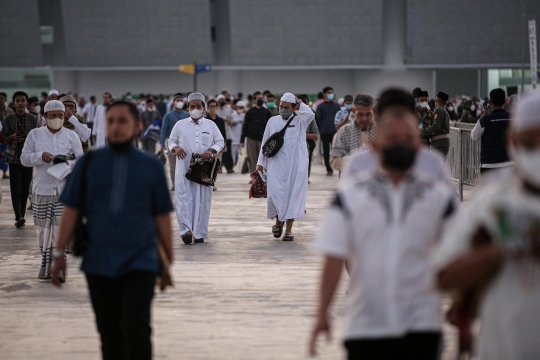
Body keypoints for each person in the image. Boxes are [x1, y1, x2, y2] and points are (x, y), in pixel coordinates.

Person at [309, 88, 457, 360]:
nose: (400, 144)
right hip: (366, 321)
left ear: (418, 140)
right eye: (392, 138)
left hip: (422, 319)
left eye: (407, 138)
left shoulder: (436, 188)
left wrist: (464, 307)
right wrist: (322, 313)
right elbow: (334, 253)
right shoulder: (353, 191)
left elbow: (456, 245)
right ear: (377, 143)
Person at [50, 99, 173, 360]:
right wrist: (59, 254)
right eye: (110, 121)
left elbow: (162, 214)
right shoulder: (88, 163)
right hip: (98, 261)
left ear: (137, 126)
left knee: (137, 328)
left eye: (122, 121)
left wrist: (168, 258)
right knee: (109, 332)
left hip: (140, 259)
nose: (115, 127)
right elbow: (71, 210)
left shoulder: (151, 166)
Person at [433, 93, 540, 360]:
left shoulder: (484, 119)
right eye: (529, 143)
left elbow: (474, 137)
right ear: (512, 142)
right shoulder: (491, 202)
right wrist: (496, 251)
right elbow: (443, 276)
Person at [20, 100, 83, 280]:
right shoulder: (35, 135)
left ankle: (59, 267)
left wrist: (67, 162)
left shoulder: (72, 136)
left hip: (64, 191)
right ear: (45, 116)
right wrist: (41, 156)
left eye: (60, 116)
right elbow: (24, 159)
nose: (57, 119)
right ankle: (47, 266)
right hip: (41, 189)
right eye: (53, 115)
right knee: (42, 232)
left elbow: (82, 161)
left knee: (60, 231)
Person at [256, 93, 315, 241]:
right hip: (275, 166)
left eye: (286, 107)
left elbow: (310, 113)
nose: (283, 109)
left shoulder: (301, 120)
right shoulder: (272, 121)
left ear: (294, 107)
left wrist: (298, 101)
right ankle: (278, 221)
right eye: (281, 106)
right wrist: (260, 163)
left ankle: (288, 231)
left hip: (296, 167)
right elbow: (265, 142)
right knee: (275, 195)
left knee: (292, 197)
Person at [168, 92, 224, 244]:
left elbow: (220, 141)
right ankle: (186, 230)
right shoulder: (180, 125)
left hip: (203, 168)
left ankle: (199, 232)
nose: (195, 109)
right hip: (184, 167)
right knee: (184, 198)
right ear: (188, 108)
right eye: (192, 106)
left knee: (202, 200)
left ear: (204, 108)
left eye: (198, 106)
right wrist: (176, 148)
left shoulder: (211, 125)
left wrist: (211, 150)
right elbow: (171, 141)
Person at [2, 91, 38, 227]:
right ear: (14, 103)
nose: (20, 103)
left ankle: (21, 214)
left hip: (28, 157)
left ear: (27, 103)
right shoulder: (8, 119)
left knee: (24, 188)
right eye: (18, 101)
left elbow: (37, 138)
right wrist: (11, 138)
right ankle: (18, 216)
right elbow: (4, 138)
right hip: (14, 157)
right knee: (15, 188)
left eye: (23, 100)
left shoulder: (33, 119)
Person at [330, 94, 376, 176]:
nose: (364, 118)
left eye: (368, 114)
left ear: (373, 112)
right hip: (350, 182)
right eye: (360, 114)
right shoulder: (343, 132)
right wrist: (358, 161)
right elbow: (334, 160)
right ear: (354, 112)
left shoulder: (382, 132)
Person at [470, 88, 512, 175]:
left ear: (490, 102)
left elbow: (474, 136)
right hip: (510, 163)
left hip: (489, 164)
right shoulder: (513, 118)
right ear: (505, 101)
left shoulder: (484, 120)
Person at [160, 93, 189, 191]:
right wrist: (162, 144)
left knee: (185, 165)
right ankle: (174, 184)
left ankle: (185, 184)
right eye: (178, 101)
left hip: (185, 144)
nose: (180, 102)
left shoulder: (187, 114)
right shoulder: (168, 115)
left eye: (181, 100)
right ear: (173, 102)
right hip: (172, 143)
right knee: (173, 165)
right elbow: (164, 130)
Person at [241, 92, 272, 175]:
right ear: (254, 100)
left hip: (263, 138)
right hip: (251, 138)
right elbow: (245, 125)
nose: (260, 100)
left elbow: (270, 126)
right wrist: (242, 140)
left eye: (262, 98)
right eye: (258, 98)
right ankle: (254, 176)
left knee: (264, 158)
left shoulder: (267, 112)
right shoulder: (250, 112)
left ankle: (264, 176)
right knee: (252, 158)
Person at [316, 86, 341, 176]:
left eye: (332, 93)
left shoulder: (336, 105)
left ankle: (337, 166)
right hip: (324, 132)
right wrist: (319, 130)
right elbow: (318, 119)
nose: (331, 94)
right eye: (329, 93)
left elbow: (340, 118)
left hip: (335, 131)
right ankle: (329, 169)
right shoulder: (320, 107)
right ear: (324, 94)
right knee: (326, 151)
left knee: (336, 150)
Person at [422, 91, 451, 157]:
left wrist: (423, 132)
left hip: (439, 143)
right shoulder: (444, 111)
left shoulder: (439, 111)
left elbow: (436, 126)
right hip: (441, 143)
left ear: (437, 100)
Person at [216, 94, 235, 173]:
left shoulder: (228, 110)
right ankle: (218, 168)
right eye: (221, 100)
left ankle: (229, 168)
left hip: (227, 134)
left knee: (228, 152)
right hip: (217, 134)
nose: (222, 102)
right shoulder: (216, 110)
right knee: (217, 153)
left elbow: (232, 120)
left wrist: (229, 122)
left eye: (224, 100)